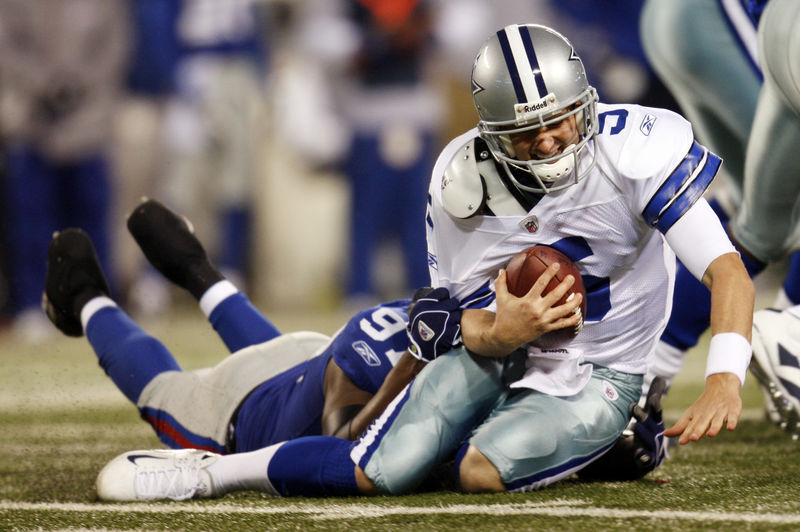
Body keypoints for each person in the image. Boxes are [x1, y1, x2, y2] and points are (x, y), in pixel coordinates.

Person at [93, 23, 753, 501]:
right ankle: (207, 476)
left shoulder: (633, 150)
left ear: (586, 104)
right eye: (527, 131)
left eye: (562, 120)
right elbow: (449, 325)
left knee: (477, 471)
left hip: (602, 368)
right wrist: (500, 334)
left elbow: (725, 268)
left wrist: (725, 377)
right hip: (503, 346)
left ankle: (608, 438)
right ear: (493, 137)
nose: (551, 139)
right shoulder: (464, 189)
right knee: (381, 466)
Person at [42, 198, 433, 454]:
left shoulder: (435, 307)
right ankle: (81, 293)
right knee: (165, 392)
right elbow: (342, 447)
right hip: (247, 410)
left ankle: (192, 264)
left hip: (306, 354)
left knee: (292, 369)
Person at [640, 0, 800, 432]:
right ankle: (791, 332)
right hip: (731, 22)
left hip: (692, 22)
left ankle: (644, 370)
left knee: (759, 222)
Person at [0, 0, 130, 341]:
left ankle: (99, 307)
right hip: (32, 119)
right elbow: (7, 44)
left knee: (92, 221)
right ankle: (32, 304)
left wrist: (76, 84)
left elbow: (114, 46)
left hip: (89, 119)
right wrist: (43, 85)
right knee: (31, 222)